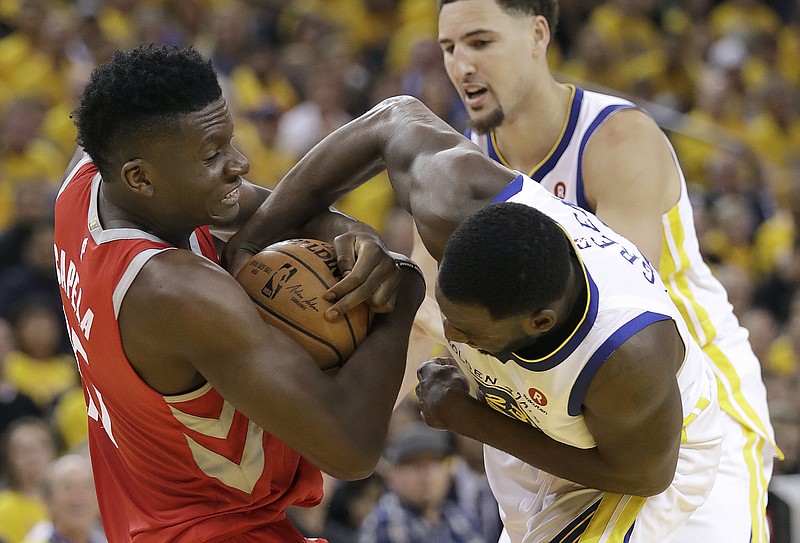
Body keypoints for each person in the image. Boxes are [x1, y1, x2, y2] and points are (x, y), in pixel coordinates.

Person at [225, 95, 725, 542]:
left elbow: (644, 475)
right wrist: (255, 238)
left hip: (640, 455)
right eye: (448, 314)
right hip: (538, 420)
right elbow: (391, 120)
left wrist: (471, 419)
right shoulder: (455, 198)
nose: (451, 335)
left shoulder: (628, 356)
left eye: (469, 332)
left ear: (539, 322)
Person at [434, 1, 776, 541]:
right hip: (567, 416)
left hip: (692, 407)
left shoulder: (616, 141)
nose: (462, 66)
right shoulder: (464, 163)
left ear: (538, 35)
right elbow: (435, 316)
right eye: (449, 48)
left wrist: (474, 413)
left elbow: (621, 322)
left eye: (480, 42)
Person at [55, 44, 426, 542]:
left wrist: (352, 233)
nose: (240, 163)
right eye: (213, 155)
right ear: (139, 177)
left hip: (155, 517)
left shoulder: (87, 180)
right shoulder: (172, 291)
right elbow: (351, 449)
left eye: (229, 142)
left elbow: (271, 211)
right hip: (220, 529)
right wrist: (403, 288)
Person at [356, 422, 484, 543]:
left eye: (434, 464)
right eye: (416, 465)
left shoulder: (460, 518)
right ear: (393, 474)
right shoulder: (384, 523)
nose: (426, 475)